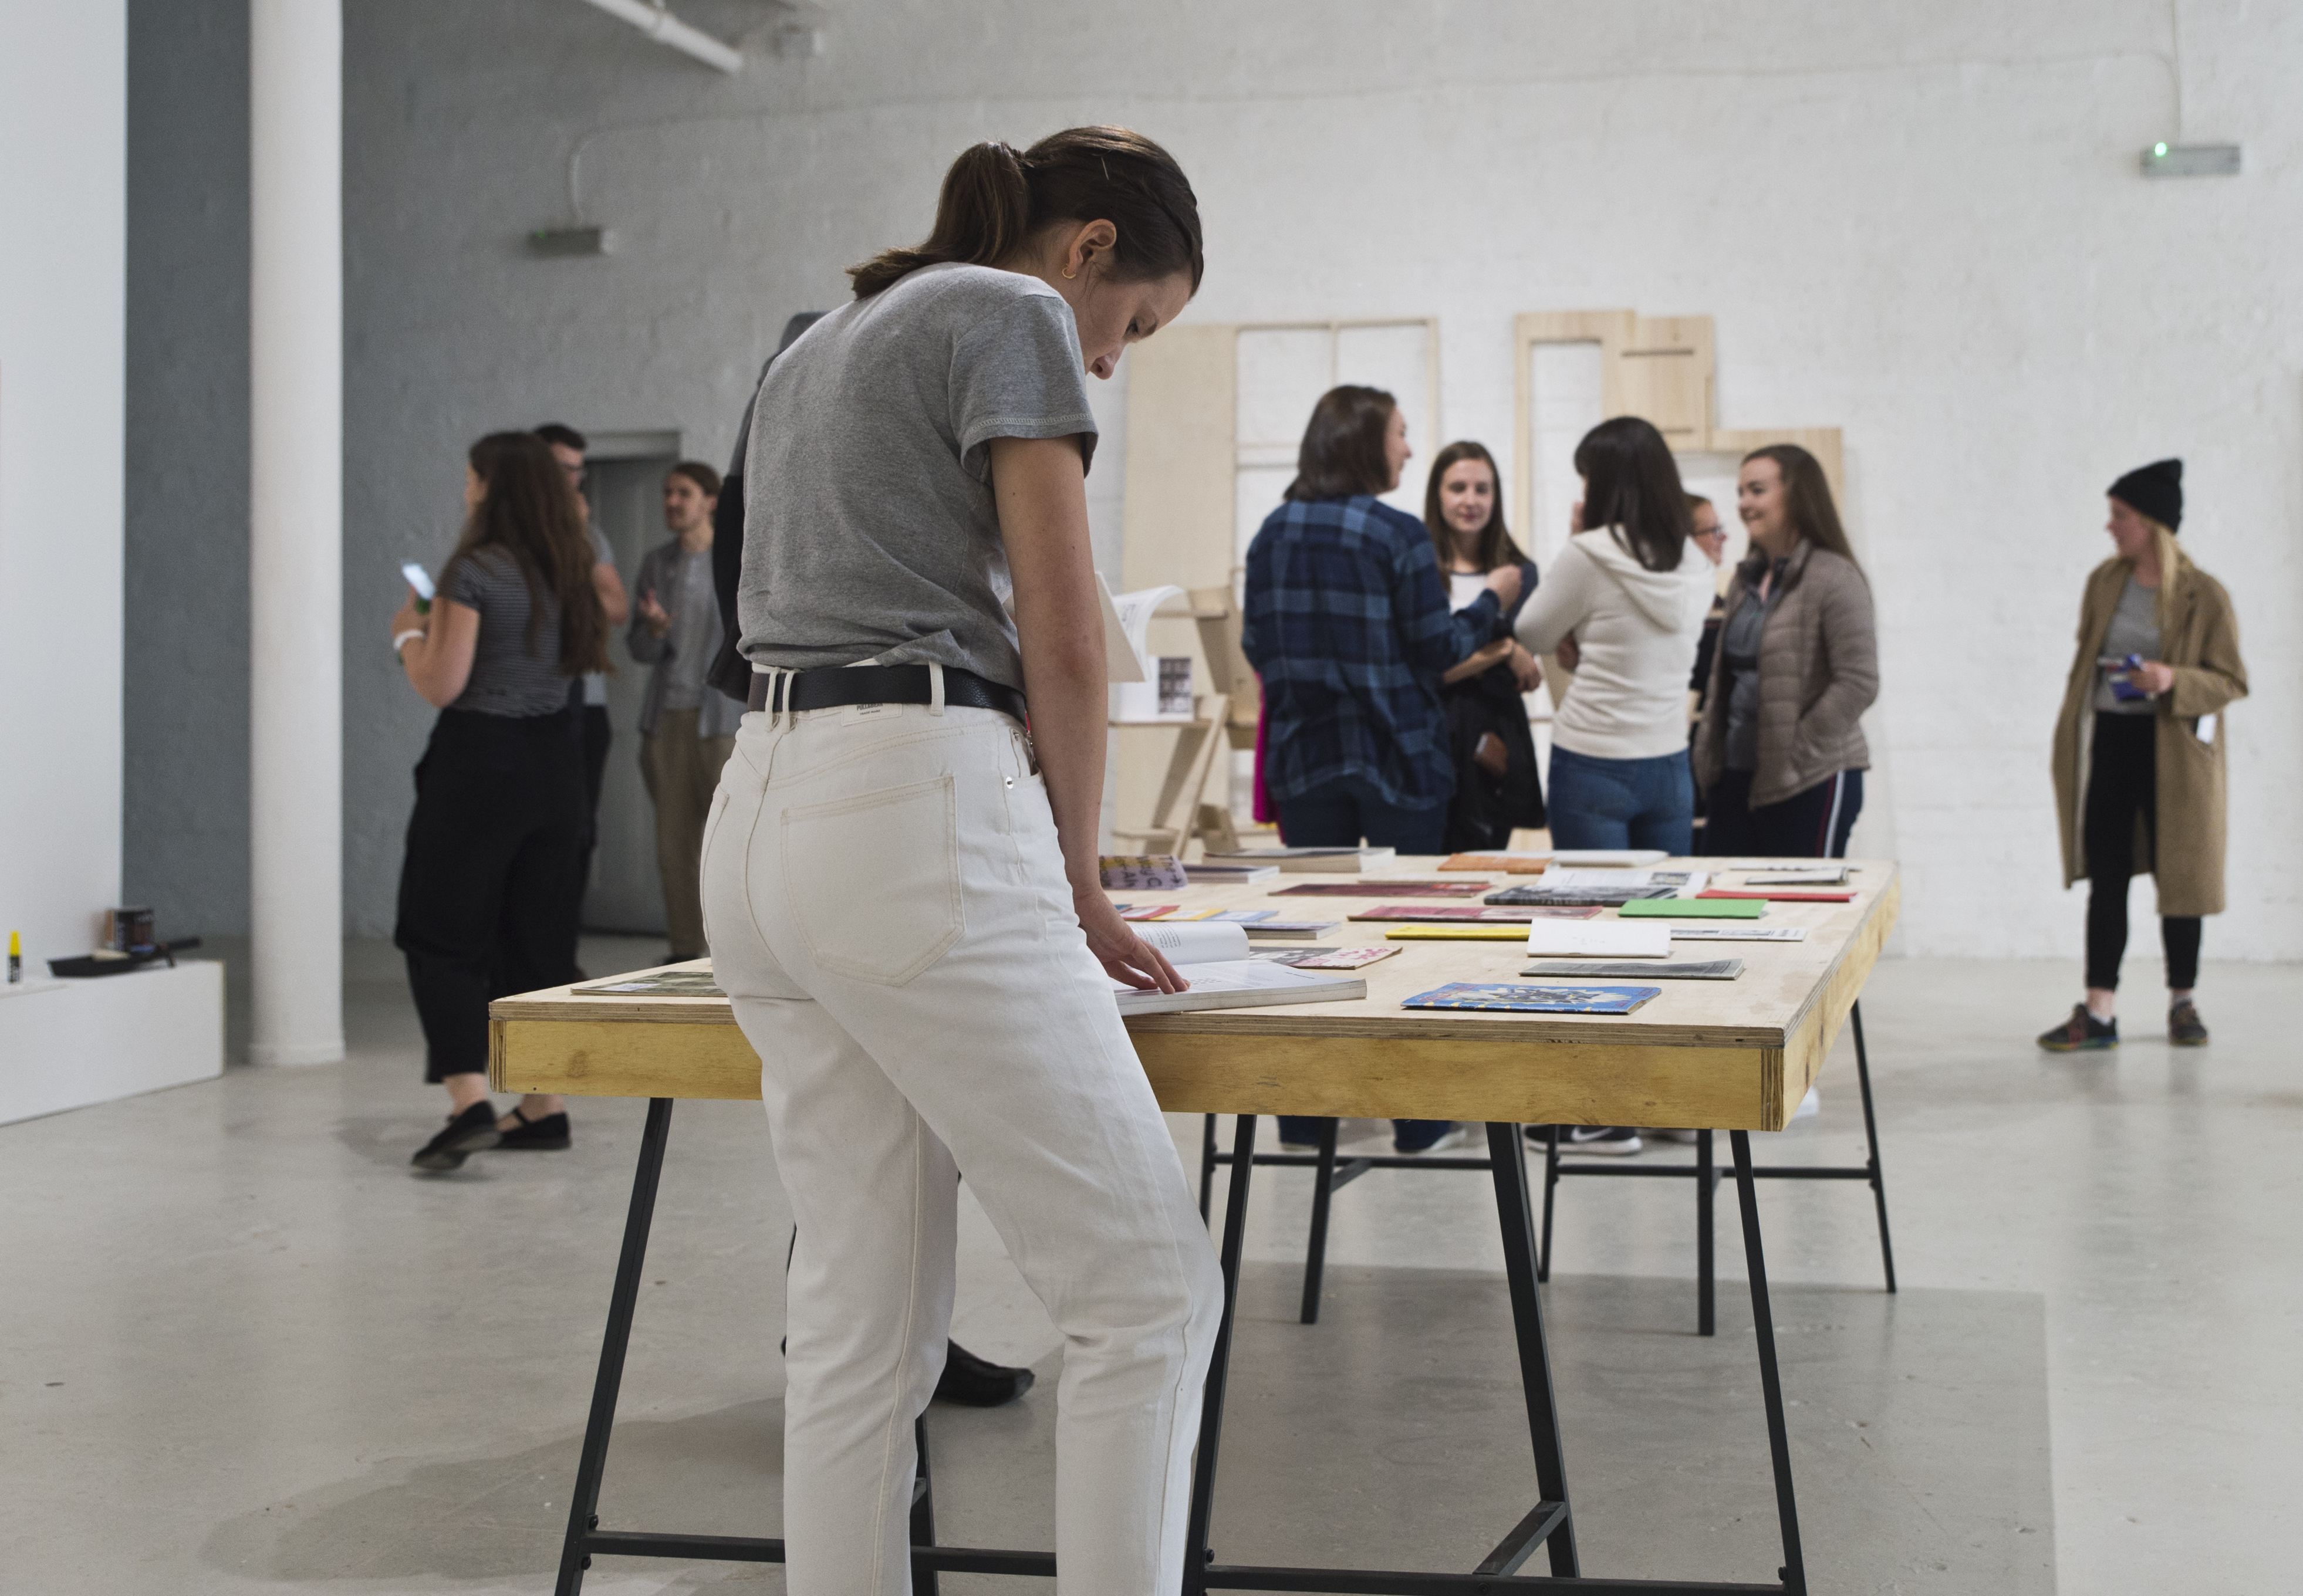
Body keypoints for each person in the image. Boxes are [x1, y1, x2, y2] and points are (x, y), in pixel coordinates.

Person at [699, 128, 1224, 1591]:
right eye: (1136, 324)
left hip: (759, 818)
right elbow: (1066, 633)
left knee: (858, 1326)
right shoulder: (1011, 313)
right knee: (1148, 1297)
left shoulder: (822, 338)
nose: (1109, 360)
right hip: (910, 807)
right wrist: (1081, 878)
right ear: (1091, 247)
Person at [1242, 389, 1518, 1157]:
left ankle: (1305, 1120)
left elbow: (1256, 645)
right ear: (1366, 443)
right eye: (1400, 434)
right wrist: (1491, 601)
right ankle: (1419, 1122)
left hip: (1305, 759)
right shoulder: (1396, 533)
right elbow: (1438, 649)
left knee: (1310, 941)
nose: (1408, 449)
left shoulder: (1272, 532)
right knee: (1410, 935)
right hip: (1399, 756)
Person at [391, 432, 609, 1170]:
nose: (465, 490)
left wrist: (408, 633)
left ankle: (468, 1102)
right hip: (557, 767)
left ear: (492, 485)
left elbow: (442, 683)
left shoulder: (476, 568)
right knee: (537, 941)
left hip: (481, 765)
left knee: (442, 931)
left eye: (471, 478)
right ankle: (544, 1105)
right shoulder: (571, 566)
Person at [2039, 459, 2247, 1052]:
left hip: (2175, 750)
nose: (2110, 526)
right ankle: (2099, 1010)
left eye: (2120, 515)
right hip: (2112, 740)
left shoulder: (2204, 594)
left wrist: (2172, 678)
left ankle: (2183, 1001)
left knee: (2180, 874)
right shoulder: (2105, 582)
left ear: (2152, 522)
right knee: (2106, 873)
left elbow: (2231, 680)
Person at [1512, 416, 1713, 856]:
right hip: (1669, 760)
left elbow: (1532, 633)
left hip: (1592, 759)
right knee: (1664, 896)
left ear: (1605, 482)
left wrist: (1576, 539)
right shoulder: (1697, 562)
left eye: (1587, 479)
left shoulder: (1589, 552)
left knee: (1592, 897)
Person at [1693, 444, 1877, 859]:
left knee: (1801, 900)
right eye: (1741, 492)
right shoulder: (1745, 579)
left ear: (1797, 496)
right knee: (1725, 897)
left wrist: (1798, 748)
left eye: (1757, 490)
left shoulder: (1835, 577)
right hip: (1736, 776)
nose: (1743, 504)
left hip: (1810, 776)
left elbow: (1859, 682)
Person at [627, 461, 741, 962]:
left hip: (724, 722)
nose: (672, 502)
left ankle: (733, 956)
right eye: (667, 493)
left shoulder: (736, 558)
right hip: (669, 721)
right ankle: (685, 955)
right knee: (675, 848)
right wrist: (653, 631)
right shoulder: (657, 563)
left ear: (710, 502)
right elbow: (639, 648)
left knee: (730, 846)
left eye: (684, 493)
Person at [1424, 439, 1545, 851]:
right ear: (1437, 495)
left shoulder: (1520, 574)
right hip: (1428, 735)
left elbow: (1522, 676)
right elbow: (1427, 672)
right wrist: (1503, 650)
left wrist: (1507, 658)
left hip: (1492, 742)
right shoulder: (1419, 570)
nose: (1470, 500)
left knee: (1486, 867)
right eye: (1457, 488)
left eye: (1483, 489)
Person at [533, 424, 633, 919]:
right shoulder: (510, 534)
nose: (573, 481)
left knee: (577, 827)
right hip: (525, 703)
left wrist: (574, 543)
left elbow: (617, 608)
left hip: (583, 704)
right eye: (563, 468)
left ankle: (560, 941)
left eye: (578, 471)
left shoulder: (589, 536)